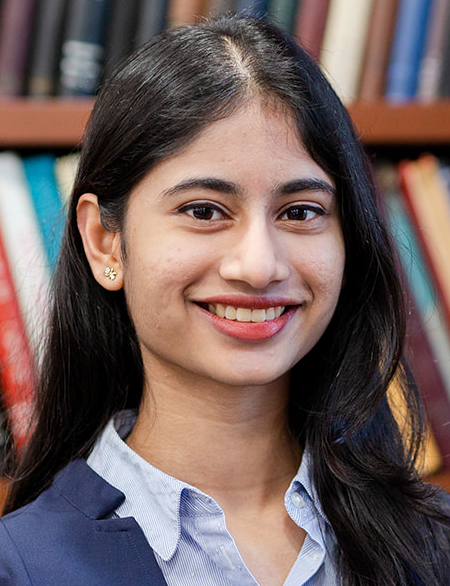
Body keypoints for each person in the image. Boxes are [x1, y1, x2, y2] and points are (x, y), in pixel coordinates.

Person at [1, 13, 449, 586]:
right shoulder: (24, 564)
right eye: (204, 211)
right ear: (104, 240)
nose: (259, 266)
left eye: (300, 212)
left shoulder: (434, 544)